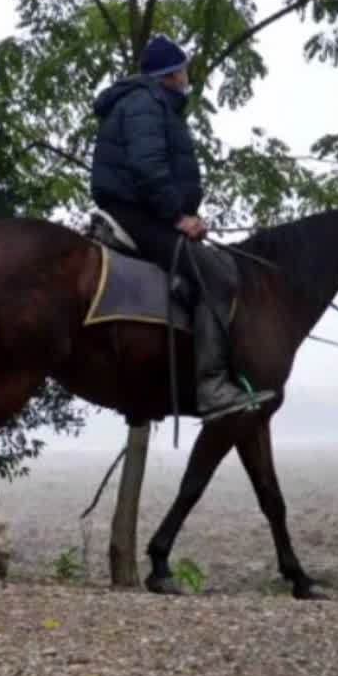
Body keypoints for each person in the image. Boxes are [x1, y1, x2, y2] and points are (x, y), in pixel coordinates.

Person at [89, 35, 276, 421]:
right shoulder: (146, 104)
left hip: (142, 211)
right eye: (184, 68)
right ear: (171, 73)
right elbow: (147, 168)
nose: (187, 75)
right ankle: (211, 387)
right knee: (217, 277)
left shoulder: (145, 102)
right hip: (140, 214)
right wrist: (178, 216)